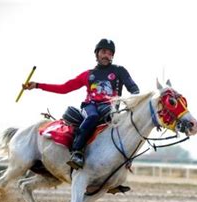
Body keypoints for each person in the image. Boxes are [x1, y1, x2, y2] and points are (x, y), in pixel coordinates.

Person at [23, 38, 140, 169]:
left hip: (110, 107)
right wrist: (38, 85)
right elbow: (64, 88)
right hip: (90, 107)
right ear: (97, 54)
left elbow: (134, 89)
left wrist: (136, 100)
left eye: (110, 53)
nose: (107, 55)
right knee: (93, 117)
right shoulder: (88, 75)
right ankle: (76, 152)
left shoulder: (119, 71)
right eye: (104, 52)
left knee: (125, 123)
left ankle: (125, 158)